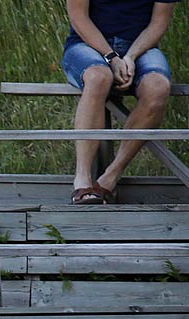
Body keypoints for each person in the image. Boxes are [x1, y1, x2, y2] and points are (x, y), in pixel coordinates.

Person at [64, 0, 177, 203]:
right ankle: (82, 179)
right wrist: (112, 58)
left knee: (158, 88)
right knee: (99, 78)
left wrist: (131, 57)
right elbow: (78, 17)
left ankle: (109, 177)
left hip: (139, 47)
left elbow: (159, 22)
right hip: (86, 45)